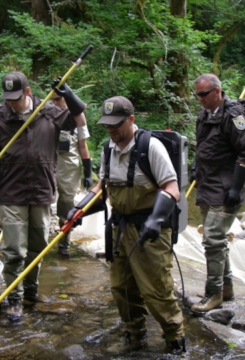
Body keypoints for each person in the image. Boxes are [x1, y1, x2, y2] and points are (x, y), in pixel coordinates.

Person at [66, 96, 186, 353]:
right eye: (107, 125)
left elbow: (171, 187)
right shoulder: (108, 148)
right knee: (121, 288)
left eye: (116, 124)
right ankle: (135, 335)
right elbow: (103, 187)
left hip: (150, 231)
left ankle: (175, 342)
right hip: (119, 229)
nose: (111, 130)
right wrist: (79, 209)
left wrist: (155, 219)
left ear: (131, 120)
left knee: (156, 290)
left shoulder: (150, 147)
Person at [0, 71, 88, 319]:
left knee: (37, 247)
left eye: (15, 98)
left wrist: (68, 94)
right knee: (14, 249)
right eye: (7, 98)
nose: (11, 103)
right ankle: (14, 299)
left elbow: (79, 119)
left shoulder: (49, 112)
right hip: (11, 189)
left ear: (27, 92)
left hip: (41, 189)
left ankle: (31, 292)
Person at [190, 73, 245, 314]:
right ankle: (226, 288)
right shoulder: (204, 114)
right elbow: (204, 145)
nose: (200, 99)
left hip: (227, 186)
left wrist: (236, 188)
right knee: (215, 239)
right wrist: (195, 167)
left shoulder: (233, 116)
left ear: (217, 91)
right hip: (208, 183)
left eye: (204, 94)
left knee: (212, 239)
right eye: (197, 95)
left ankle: (213, 293)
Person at [51, 92, 92, 257]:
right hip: (49, 167)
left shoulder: (77, 119)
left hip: (69, 170)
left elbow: (83, 146)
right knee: (42, 204)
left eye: (58, 99)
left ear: (66, 101)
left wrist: (88, 173)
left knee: (66, 205)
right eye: (52, 99)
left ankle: (63, 244)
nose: (54, 103)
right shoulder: (47, 117)